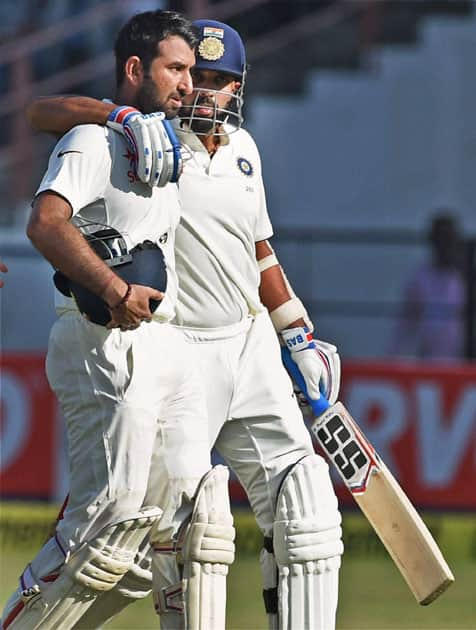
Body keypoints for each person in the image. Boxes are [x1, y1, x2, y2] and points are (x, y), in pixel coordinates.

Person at [25, 19, 344, 630]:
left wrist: (295, 332)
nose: (206, 91)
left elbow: (259, 247)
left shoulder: (246, 151)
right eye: (196, 75)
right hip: (176, 344)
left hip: (248, 341)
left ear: (238, 87)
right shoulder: (152, 137)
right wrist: (119, 115)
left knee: (307, 508)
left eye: (220, 80)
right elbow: (43, 112)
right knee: (188, 531)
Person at [1, 12, 237, 630]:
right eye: (176, 69)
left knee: (196, 522)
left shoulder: (168, 139)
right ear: (136, 70)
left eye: (193, 71)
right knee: (104, 532)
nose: (190, 84)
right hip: (104, 343)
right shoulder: (93, 139)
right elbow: (45, 223)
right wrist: (110, 286)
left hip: (168, 349)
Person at [392, 213, 466, 359]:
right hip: (427, 365)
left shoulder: (464, 280)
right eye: (441, 240)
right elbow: (404, 326)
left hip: (462, 365)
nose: (445, 247)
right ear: (433, 242)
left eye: (449, 240)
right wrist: (392, 361)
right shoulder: (419, 280)